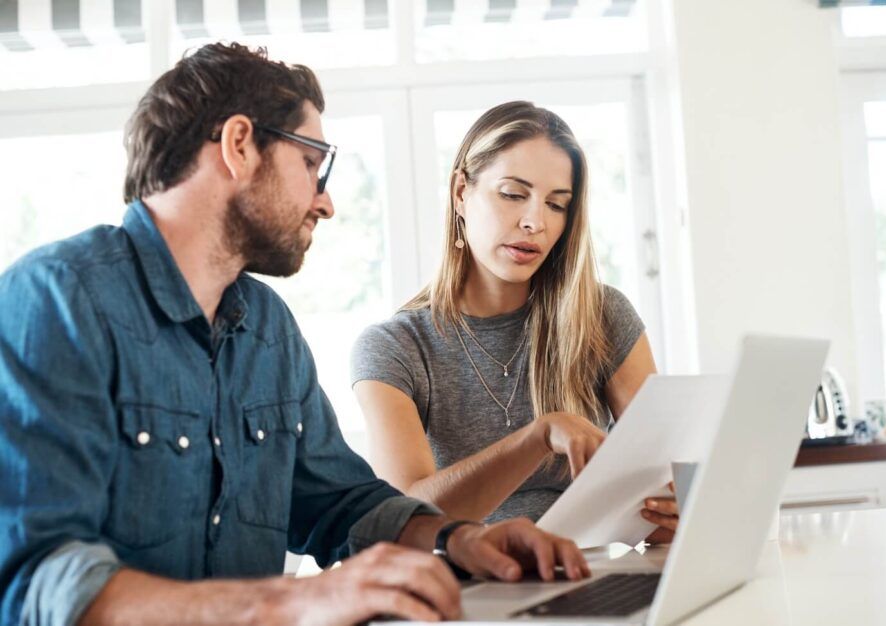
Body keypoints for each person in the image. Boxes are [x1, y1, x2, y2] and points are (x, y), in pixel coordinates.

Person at [0, 46, 591, 626]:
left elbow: (341, 505)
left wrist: (458, 541)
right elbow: (37, 580)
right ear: (239, 146)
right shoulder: (56, 299)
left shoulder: (267, 328)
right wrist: (290, 602)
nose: (326, 201)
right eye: (313, 164)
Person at [351, 101, 679, 540]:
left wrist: (672, 510)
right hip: (469, 586)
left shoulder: (600, 317)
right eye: (512, 194)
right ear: (460, 193)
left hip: (590, 570)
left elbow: (657, 498)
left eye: (556, 204)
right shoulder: (394, 348)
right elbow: (404, 519)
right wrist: (539, 435)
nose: (534, 222)